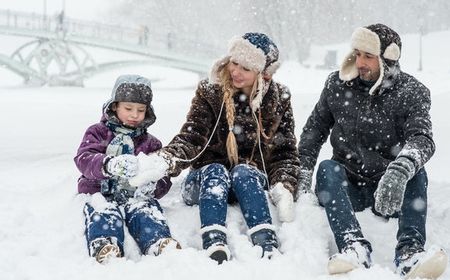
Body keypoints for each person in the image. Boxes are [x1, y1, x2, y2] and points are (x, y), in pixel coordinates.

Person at [129, 33, 300, 264]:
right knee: (216, 171)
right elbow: (192, 137)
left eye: (246, 68)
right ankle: (214, 240)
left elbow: (285, 152)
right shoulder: (210, 91)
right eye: (234, 63)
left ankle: (265, 241)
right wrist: (165, 160)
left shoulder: (279, 98)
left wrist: (284, 185)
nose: (236, 72)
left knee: (244, 171)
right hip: (205, 181)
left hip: (247, 184)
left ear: (264, 73)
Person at [297, 23, 447, 279]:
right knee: (327, 168)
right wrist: (301, 173)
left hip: (390, 190)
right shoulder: (337, 84)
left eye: (368, 56)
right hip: (348, 186)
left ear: (387, 59)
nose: (360, 62)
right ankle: (353, 247)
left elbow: (422, 138)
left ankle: (410, 253)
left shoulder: (412, 92)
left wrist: (400, 170)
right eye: (357, 54)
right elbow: (314, 132)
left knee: (416, 171)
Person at [74, 75, 180, 264]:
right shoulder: (97, 132)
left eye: (141, 110)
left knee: (145, 210)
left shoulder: (151, 143)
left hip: (135, 195)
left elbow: (162, 175)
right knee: (103, 211)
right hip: (100, 191)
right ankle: (105, 243)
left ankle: (157, 241)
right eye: (128, 109)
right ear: (115, 106)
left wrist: (153, 186)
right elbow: (84, 158)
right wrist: (108, 164)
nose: (134, 115)